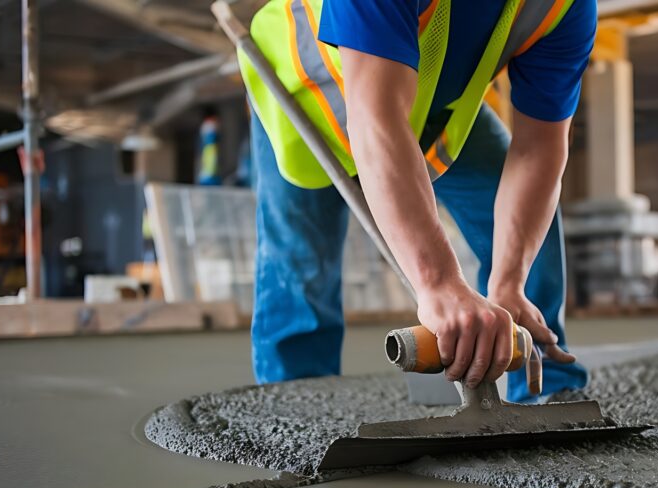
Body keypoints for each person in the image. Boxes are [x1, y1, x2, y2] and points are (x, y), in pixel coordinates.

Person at [242, 0, 596, 402]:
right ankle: (297, 408)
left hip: (428, 103)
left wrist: (509, 282)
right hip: (305, 87)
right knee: (303, 266)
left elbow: (538, 149)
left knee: (528, 245)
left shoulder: (564, 7)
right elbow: (376, 120)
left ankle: (547, 390)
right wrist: (439, 283)